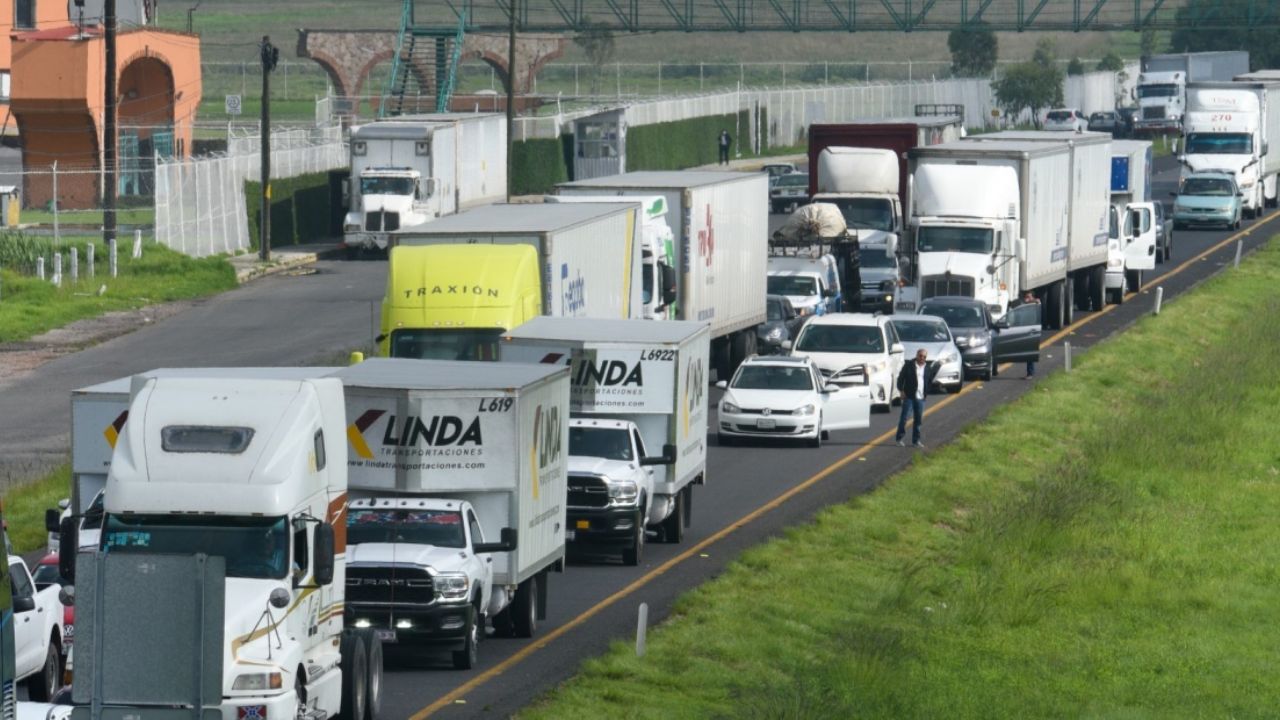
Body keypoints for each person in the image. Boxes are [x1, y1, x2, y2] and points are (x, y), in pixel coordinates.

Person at [895, 348, 931, 448]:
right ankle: (899, 438)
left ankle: (916, 441)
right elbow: (900, 379)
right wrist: (901, 391)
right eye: (920, 356)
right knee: (904, 418)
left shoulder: (927, 368)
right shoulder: (909, 366)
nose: (922, 358)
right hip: (909, 396)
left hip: (920, 398)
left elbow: (929, 381)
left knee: (918, 420)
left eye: (924, 357)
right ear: (916, 355)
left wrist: (926, 392)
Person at [1020, 290, 1040, 379]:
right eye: (1026, 297)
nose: (1027, 299)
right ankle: (1030, 373)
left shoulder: (1035, 306)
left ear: (1032, 297)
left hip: (1032, 332)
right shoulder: (1024, 307)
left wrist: (1034, 301)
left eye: (1029, 297)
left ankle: (1030, 373)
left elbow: (1039, 303)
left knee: (1029, 353)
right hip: (1025, 331)